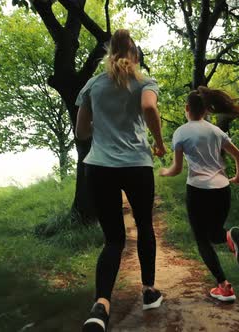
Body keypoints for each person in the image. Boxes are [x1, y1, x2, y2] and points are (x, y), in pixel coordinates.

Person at [75, 29, 166, 332]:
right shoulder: (144, 82)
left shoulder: (92, 85)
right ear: (136, 56)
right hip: (136, 165)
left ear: (108, 53)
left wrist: (103, 131)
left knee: (113, 239)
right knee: (144, 227)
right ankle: (150, 291)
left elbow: (81, 132)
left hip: (99, 167)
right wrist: (159, 141)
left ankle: (101, 306)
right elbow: (150, 107)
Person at [159, 86, 239, 302]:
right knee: (215, 233)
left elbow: (177, 169)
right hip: (222, 189)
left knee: (203, 240)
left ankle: (224, 286)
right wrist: (237, 177)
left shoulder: (181, 132)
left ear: (187, 108)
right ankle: (230, 236)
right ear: (206, 110)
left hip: (198, 191)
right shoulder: (216, 131)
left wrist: (165, 172)